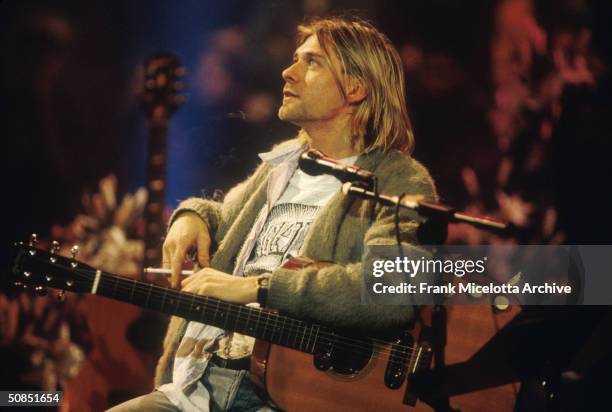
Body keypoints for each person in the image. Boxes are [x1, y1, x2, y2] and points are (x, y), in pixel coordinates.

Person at [109, 16, 436, 411]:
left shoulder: (397, 179)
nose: (288, 71)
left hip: (287, 396)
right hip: (198, 383)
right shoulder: (282, 163)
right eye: (295, 59)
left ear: (356, 87)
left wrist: (260, 287)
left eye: (312, 62)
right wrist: (190, 216)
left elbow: (392, 290)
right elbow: (224, 219)